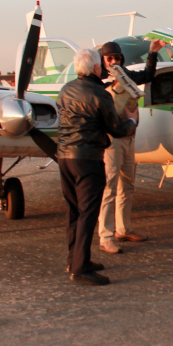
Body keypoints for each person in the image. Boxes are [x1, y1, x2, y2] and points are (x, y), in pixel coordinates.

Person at [56, 48, 138, 285]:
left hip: (64, 157)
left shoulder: (65, 90)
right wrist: (131, 121)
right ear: (94, 68)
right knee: (88, 213)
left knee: (73, 211)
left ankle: (75, 259)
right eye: (99, 65)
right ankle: (80, 270)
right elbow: (115, 129)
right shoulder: (99, 93)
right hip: (88, 158)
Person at [96, 38, 166, 255]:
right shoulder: (97, 81)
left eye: (117, 57)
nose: (114, 61)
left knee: (127, 185)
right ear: (102, 60)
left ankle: (123, 229)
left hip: (128, 137)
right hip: (111, 140)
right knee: (109, 187)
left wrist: (152, 53)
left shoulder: (125, 75)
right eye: (109, 58)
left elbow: (147, 76)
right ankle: (105, 236)